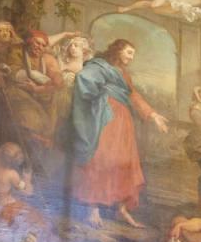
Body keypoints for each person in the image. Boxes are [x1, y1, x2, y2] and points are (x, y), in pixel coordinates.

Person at [68, 39, 169, 228]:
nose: (131, 57)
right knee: (101, 159)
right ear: (118, 50)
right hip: (104, 117)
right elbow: (83, 79)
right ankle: (93, 209)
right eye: (129, 52)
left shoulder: (124, 74)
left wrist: (152, 114)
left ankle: (121, 209)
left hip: (123, 120)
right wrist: (99, 95)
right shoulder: (101, 66)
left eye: (133, 54)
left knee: (124, 162)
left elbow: (133, 95)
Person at [4, 30, 65, 148]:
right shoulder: (17, 53)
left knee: (56, 100)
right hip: (19, 91)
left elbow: (57, 78)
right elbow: (15, 73)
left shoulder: (46, 58)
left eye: (43, 45)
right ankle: (34, 138)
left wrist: (53, 80)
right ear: (29, 42)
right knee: (28, 113)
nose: (39, 47)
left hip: (38, 93)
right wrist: (45, 82)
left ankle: (45, 139)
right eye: (37, 43)